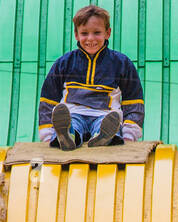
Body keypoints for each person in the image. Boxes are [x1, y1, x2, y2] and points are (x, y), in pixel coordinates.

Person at [39, 4, 145, 150]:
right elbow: (48, 99)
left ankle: (102, 137)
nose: (90, 38)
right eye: (84, 33)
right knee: (72, 123)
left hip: (105, 115)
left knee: (107, 125)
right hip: (73, 114)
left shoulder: (121, 63)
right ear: (76, 34)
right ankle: (67, 136)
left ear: (107, 33)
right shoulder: (64, 63)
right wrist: (47, 132)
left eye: (97, 32)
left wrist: (129, 134)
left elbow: (134, 101)